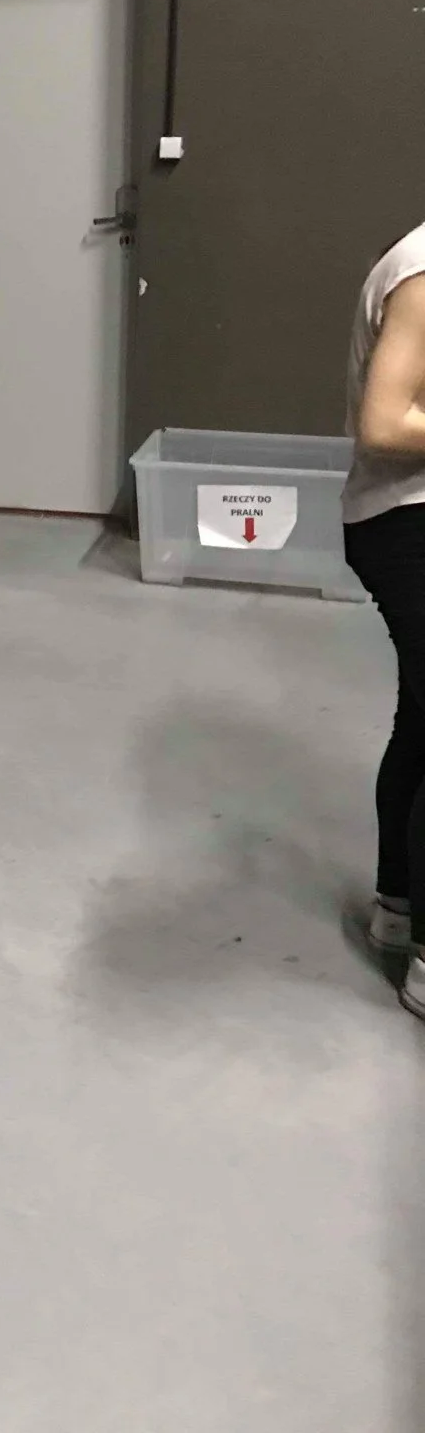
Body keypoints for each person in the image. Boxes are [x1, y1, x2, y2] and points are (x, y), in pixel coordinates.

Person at [343, 221, 425, 1019]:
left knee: (422, 723)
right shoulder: (424, 271)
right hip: (405, 525)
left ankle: (399, 905)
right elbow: (385, 425)